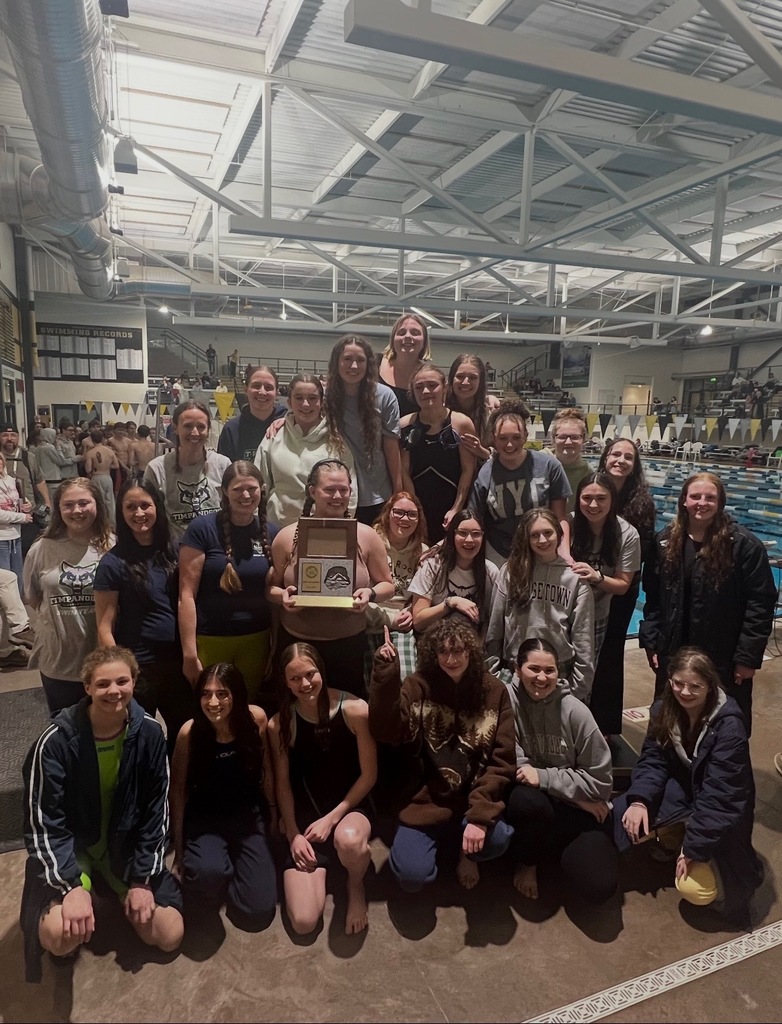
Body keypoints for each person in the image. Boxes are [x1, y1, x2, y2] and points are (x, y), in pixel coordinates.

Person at [21, 645, 183, 982]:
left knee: (169, 936)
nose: (114, 691)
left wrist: (141, 880)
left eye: (122, 681)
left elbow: (156, 813)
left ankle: (113, 888)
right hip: (73, 846)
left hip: (120, 846)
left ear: (134, 682)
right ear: (87, 688)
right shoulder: (54, 741)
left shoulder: (150, 733)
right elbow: (43, 823)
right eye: (103, 684)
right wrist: (70, 887)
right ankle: (76, 893)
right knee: (60, 938)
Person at [613, 647, 763, 924]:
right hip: (686, 791)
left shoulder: (730, 726)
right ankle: (674, 832)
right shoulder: (663, 709)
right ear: (670, 681)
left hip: (719, 809)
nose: (685, 692)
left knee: (694, 889)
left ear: (710, 685)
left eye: (695, 686)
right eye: (678, 683)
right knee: (624, 818)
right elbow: (652, 761)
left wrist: (694, 849)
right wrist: (639, 801)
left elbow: (721, 797)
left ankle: (703, 855)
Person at [370, 619, 515, 892]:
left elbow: (502, 761)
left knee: (498, 839)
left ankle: (467, 853)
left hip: (472, 796)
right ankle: (447, 841)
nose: (451, 659)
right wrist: (386, 674)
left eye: (458, 651)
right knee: (412, 877)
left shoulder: (494, 691)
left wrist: (480, 816)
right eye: (443, 652)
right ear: (432, 653)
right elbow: (384, 730)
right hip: (425, 800)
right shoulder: (417, 685)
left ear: (470, 652)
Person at [640, 472, 775, 730]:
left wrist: (747, 657)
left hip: (723, 653)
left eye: (710, 497)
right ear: (684, 501)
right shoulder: (666, 541)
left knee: (724, 720)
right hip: (674, 649)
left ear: (720, 503)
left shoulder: (744, 545)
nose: (702, 502)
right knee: (670, 717)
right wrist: (651, 640)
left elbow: (760, 603)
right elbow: (653, 598)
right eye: (695, 496)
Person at [268, 642, 377, 935]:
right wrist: (293, 834)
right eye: (294, 678)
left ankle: (355, 885)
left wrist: (333, 819)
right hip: (307, 821)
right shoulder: (280, 723)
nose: (304, 684)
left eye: (310, 674)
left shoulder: (354, 710)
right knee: (303, 923)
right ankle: (329, 868)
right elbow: (283, 785)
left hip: (349, 810)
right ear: (285, 682)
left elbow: (369, 775)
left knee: (350, 841)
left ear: (321, 671)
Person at [504, 639, 617, 903]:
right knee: (527, 801)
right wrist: (574, 793)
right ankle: (528, 861)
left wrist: (544, 778)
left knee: (600, 886)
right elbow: (514, 765)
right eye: (534, 669)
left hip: (573, 810)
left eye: (550, 670)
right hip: (538, 806)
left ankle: (553, 854)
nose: (542, 677)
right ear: (517, 669)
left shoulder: (576, 712)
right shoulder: (506, 702)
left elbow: (601, 784)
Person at [269, 459, 393, 697]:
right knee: (296, 715)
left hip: (348, 645)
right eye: (329, 489)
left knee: (346, 715)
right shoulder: (287, 537)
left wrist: (371, 593)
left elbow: (388, 584)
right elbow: (270, 589)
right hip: (297, 645)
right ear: (312, 492)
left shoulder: (366, 536)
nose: (337, 496)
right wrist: (282, 597)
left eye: (343, 490)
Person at [170, 663, 277, 930]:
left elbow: (267, 772)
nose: (213, 702)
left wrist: (274, 815)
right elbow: (178, 792)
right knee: (207, 874)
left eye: (223, 693)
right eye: (206, 694)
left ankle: (233, 869)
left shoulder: (256, 719)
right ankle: (218, 868)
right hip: (205, 818)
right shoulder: (189, 732)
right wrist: (179, 851)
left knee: (259, 911)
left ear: (237, 695)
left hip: (247, 815)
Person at [94, 478, 192, 756]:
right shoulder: (113, 562)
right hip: (139, 666)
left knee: (184, 733)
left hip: (178, 661)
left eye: (145, 505)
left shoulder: (177, 550)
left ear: (157, 507)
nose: (139, 514)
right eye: (131, 507)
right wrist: (117, 673)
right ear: (121, 512)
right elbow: (104, 625)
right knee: (137, 738)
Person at [179, 461, 277, 701]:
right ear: (224, 491)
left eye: (252, 488)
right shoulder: (202, 529)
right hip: (211, 639)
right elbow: (186, 595)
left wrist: (274, 646)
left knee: (247, 708)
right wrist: (189, 653)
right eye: (237, 489)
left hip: (256, 639)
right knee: (211, 709)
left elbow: (273, 595)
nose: (246, 495)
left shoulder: (272, 533)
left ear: (262, 489)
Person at [24, 478, 114, 713]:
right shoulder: (41, 549)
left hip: (103, 660)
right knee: (65, 735)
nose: (77, 511)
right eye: (69, 505)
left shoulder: (113, 546)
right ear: (59, 509)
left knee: (107, 733)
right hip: (59, 661)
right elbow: (34, 599)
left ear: (97, 505)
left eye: (84, 503)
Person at [485, 509, 595, 700]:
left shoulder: (575, 578)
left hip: (559, 673)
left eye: (548, 533)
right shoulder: (511, 572)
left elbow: (583, 638)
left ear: (559, 534)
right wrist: (494, 676)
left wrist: (577, 690)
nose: (542, 540)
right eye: (534, 535)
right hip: (515, 672)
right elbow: (495, 629)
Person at [593, 437, 657, 735]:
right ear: (605, 458)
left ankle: (605, 724)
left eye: (627, 457)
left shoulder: (642, 504)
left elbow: (641, 552)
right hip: (589, 586)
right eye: (615, 454)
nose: (620, 460)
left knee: (610, 652)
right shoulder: (592, 490)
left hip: (622, 587)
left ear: (634, 466)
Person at [469, 400, 571, 566]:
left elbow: (559, 517)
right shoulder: (486, 473)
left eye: (516, 437)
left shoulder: (549, 465)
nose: (509, 444)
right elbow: (474, 518)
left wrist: (564, 551)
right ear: (494, 438)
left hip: (542, 550)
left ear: (525, 435)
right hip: (499, 554)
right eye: (503, 438)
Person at [256, 372, 356, 528]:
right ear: (289, 402)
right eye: (298, 398)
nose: (305, 404)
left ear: (321, 402)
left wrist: (343, 526)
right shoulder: (273, 437)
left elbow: (351, 489)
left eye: (312, 398)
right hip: (277, 529)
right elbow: (259, 486)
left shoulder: (336, 440)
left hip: (324, 531)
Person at [324, 335, 401, 525]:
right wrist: (283, 421)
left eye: (360, 360)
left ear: (369, 364)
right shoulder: (324, 396)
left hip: (377, 495)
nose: (354, 366)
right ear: (337, 362)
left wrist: (398, 493)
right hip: (337, 494)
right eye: (347, 359)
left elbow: (392, 448)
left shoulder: (385, 396)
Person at [400, 362, 475, 544]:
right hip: (419, 508)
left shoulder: (461, 423)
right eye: (419, 387)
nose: (426, 391)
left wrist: (456, 508)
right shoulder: (405, 425)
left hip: (452, 507)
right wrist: (416, 510)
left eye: (432, 385)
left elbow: (468, 469)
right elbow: (404, 471)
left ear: (445, 388)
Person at [569, 471, 640, 660]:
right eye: (587, 498)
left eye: (601, 498)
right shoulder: (567, 525)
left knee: (584, 673)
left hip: (595, 616)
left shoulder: (627, 534)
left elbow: (623, 585)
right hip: (561, 611)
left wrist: (596, 577)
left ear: (612, 500)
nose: (593, 505)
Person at [144, 400, 231, 540]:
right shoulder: (157, 469)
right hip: (174, 551)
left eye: (201, 426)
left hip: (215, 548)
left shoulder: (222, 464)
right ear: (175, 427)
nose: (195, 432)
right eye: (188, 426)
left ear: (208, 429)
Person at [408, 509, 498, 636]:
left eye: (476, 534)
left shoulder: (490, 572)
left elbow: (491, 620)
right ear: (452, 535)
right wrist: (450, 603)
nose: (469, 539)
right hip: (434, 641)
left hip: (472, 644)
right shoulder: (433, 567)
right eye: (462, 533)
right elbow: (418, 621)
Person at [368, 491, 428, 678]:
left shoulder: (423, 552)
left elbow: (423, 595)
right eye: (399, 512)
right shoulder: (369, 543)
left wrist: (411, 611)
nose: (405, 519)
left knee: (405, 675)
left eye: (412, 514)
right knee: (373, 678)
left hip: (403, 620)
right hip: (371, 617)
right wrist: (391, 619)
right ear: (388, 513)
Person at [217, 364, 287, 463]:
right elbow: (224, 472)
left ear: (277, 393)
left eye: (268, 387)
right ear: (246, 390)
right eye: (256, 386)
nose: (262, 392)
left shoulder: (289, 426)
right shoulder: (231, 430)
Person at [1, 422, 50, 554]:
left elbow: (39, 481)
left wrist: (47, 503)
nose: (9, 438)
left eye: (13, 435)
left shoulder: (28, 457)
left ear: (18, 437)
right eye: (5, 435)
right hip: (4, 518)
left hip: (28, 513)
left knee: (26, 552)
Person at [446, 353, 500, 462]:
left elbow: (506, 453)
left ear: (480, 382)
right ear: (451, 379)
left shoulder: (492, 413)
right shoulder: (440, 411)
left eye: (473, 377)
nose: (465, 382)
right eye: (460, 376)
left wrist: (482, 452)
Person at [378, 313, 431, 418]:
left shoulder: (430, 376)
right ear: (393, 339)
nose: (407, 336)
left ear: (424, 341)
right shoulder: (373, 364)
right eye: (401, 333)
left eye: (415, 333)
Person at [0, 450, 32, 587]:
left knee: (18, 578)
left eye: (0, 459)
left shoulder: (11, 480)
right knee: (5, 581)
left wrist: (27, 505)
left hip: (16, 535)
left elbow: (20, 500)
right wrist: (22, 517)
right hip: (1, 538)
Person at [550, 407, 591, 513]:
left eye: (574, 437)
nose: (568, 442)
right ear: (553, 439)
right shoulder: (540, 462)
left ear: (583, 439)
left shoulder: (587, 472)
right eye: (562, 437)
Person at [83, 428, 120, 526]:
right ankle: (112, 523)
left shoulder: (90, 453)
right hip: (107, 476)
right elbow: (116, 465)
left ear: (92, 439)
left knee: (99, 500)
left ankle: (101, 522)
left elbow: (88, 469)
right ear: (102, 438)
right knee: (110, 501)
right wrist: (107, 466)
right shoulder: (109, 451)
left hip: (97, 476)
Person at [31, 426, 77, 498]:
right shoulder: (49, 448)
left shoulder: (38, 447)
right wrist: (58, 448)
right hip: (53, 480)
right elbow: (61, 461)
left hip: (44, 479)